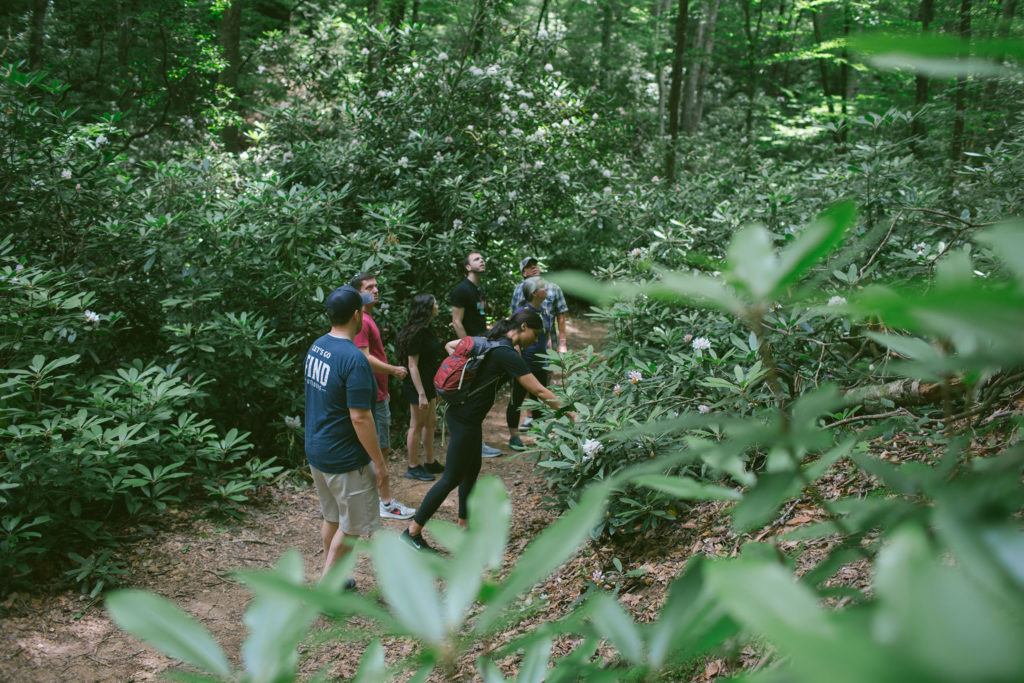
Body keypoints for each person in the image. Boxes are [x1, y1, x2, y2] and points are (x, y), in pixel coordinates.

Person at [402, 310, 565, 552]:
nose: (536, 339)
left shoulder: (491, 343)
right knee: (451, 478)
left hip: (466, 418)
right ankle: (412, 532)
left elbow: (451, 345)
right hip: (464, 420)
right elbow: (540, 391)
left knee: (471, 470)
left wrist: (468, 371)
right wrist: (571, 412)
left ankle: (464, 526)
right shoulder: (506, 353)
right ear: (523, 327)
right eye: (535, 333)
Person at [303, 286, 413, 586]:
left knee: (332, 518)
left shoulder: (317, 347)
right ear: (357, 314)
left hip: (317, 449)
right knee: (351, 527)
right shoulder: (354, 359)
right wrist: (379, 463)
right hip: (344, 457)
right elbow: (360, 416)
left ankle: (335, 578)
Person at [349, 272, 415, 519]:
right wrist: (394, 370)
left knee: (379, 448)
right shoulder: (362, 321)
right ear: (357, 293)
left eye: (376, 286)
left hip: (378, 392)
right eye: (369, 287)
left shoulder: (366, 318)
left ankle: (372, 498)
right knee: (379, 449)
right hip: (373, 394)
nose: (375, 291)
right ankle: (384, 503)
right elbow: (364, 358)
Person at [450, 251, 502, 458]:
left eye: (482, 258)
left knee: (480, 395)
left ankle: (476, 442)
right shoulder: (462, 290)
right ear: (467, 267)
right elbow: (456, 321)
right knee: (473, 397)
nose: (482, 261)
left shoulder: (478, 289)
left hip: (482, 346)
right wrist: (468, 349)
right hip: (472, 351)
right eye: (476, 260)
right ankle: (473, 445)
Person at [509, 256, 570, 431]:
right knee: (524, 383)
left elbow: (560, 316)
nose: (534, 267)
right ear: (524, 273)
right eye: (529, 266)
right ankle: (528, 418)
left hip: (544, 343)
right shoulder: (519, 291)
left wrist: (561, 343)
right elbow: (514, 318)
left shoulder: (553, 289)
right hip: (525, 344)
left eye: (535, 264)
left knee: (543, 382)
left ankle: (541, 422)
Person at [394, 294, 446, 482]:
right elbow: (412, 365)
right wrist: (421, 394)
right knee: (416, 425)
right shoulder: (416, 333)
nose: (437, 306)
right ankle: (413, 466)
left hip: (429, 382)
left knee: (431, 422)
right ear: (426, 308)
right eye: (435, 304)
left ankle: (430, 461)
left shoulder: (427, 329)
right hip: (418, 385)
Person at [506, 277, 553, 449]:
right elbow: (512, 338)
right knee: (516, 400)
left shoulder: (546, 311)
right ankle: (514, 437)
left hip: (541, 362)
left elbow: (547, 336)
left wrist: (551, 359)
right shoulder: (521, 313)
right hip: (523, 364)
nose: (546, 288)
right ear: (534, 293)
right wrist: (516, 360)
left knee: (540, 399)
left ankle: (541, 435)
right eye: (542, 287)